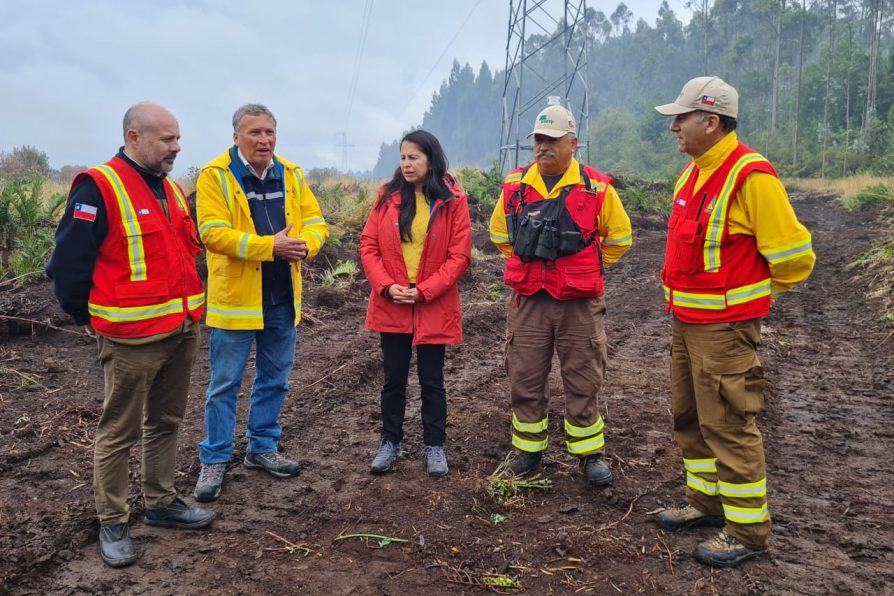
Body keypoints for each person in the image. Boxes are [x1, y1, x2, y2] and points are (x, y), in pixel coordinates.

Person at [652, 76, 816, 568]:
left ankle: (747, 533)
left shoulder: (751, 176)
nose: (674, 127)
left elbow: (793, 257)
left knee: (728, 424)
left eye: (681, 118)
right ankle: (704, 504)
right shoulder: (691, 174)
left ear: (712, 121)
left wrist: (746, 302)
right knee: (689, 418)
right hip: (685, 323)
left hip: (724, 330)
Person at [46, 102, 214, 568]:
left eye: (178, 139)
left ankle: (161, 503)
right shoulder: (98, 186)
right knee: (117, 431)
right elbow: (66, 266)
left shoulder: (173, 190)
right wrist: (88, 316)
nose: (176, 148)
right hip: (130, 338)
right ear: (134, 138)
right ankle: (113, 521)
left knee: (166, 421)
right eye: (166, 140)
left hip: (180, 329)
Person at [489, 104, 632, 487]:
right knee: (525, 374)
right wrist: (535, 266)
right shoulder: (515, 185)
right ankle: (528, 451)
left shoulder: (597, 187)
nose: (543, 147)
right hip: (528, 301)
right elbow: (500, 235)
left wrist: (582, 269)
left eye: (552, 140)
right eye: (538, 140)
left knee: (583, 375)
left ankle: (588, 455)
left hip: (578, 304)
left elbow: (619, 238)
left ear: (573, 143)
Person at [193, 104, 329, 501]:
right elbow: (212, 234)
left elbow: (317, 222)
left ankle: (262, 448)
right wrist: (271, 247)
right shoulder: (215, 177)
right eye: (255, 132)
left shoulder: (291, 174)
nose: (264, 140)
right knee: (224, 385)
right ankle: (215, 459)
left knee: (275, 380)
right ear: (236, 136)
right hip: (236, 302)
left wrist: (307, 246)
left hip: (282, 300)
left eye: (270, 132)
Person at [359, 130, 471, 477]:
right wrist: (386, 285)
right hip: (392, 300)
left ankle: (434, 446)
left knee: (432, 380)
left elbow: (459, 256)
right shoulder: (387, 198)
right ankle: (389, 442)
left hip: (431, 302)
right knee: (393, 379)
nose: (406, 164)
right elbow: (368, 246)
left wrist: (424, 291)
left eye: (414, 158)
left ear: (431, 160)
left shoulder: (453, 200)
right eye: (403, 158)